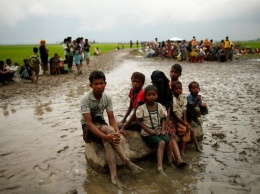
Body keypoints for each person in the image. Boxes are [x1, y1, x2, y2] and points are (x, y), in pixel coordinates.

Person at [80, 70, 143, 189]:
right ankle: (125, 160)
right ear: (91, 86)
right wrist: (105, 136)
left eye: (101, 83)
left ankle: (114, 176)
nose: (99, 86)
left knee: (110, 138)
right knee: (108, 136)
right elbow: (88, 123)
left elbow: (111, 118)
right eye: (96, 84)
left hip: (100, 123)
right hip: (89, 128)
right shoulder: (85, 99)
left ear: (105, 84)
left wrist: (117, 132)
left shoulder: (107, 98)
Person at [151, 71, 187, 168]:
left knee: (171, 134)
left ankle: (178, 159)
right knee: (167, 134)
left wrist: (166, 122)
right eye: (157, 79)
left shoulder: (168, 91)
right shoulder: (152, 92)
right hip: (154, 118)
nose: (159, 81)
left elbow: (169, 108)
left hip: (166, 117)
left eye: (160, 78)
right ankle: (173, 159)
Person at [136, 85, 172, 175]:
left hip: (158, 131)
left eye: (153, 94)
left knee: (168, 140)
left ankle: (170, 161)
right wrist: (148, 130)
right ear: (145, 96)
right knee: (162, 143)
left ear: (157, 95)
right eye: (149, 95)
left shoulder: (159, 106)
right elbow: (139, 121)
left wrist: (163, 130)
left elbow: (163, 119)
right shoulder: (142, 108)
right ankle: (159, 167)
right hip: (147, 134)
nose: (151, 97)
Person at [171, 81, 202, 156]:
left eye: (180, 88)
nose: (178, 90)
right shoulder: (172, 99)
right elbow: (175, 114)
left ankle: (196, 146)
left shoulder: (183, 97)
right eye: (176, 89)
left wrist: (185, 120)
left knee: (191, 130)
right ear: (172, 90)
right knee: (186, 131)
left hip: (182, 118)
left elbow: (184, 109)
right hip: (176, 119)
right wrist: (182, 122)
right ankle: (182, 150)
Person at [118, 72, 145, 137]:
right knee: (118, 123)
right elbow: (131, 106)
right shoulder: (132, 90)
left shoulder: (142, 94)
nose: (135, 84)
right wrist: (124, 119)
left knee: (116, 126)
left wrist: (124, 127)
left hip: (141, 122)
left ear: (142, 84)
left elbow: (135, 113)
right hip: (136, 120)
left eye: (138, 82)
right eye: (133, 81)